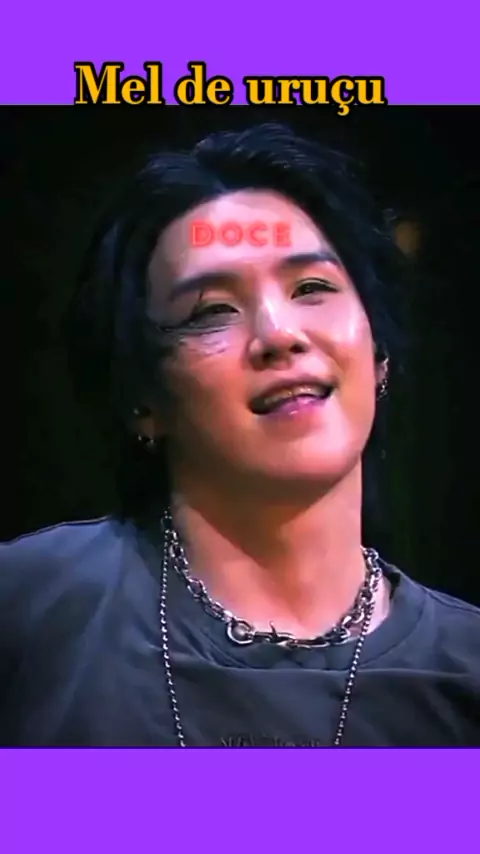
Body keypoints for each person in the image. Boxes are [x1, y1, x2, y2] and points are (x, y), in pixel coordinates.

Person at [1, 123, 479, 747]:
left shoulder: (465, 667)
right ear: (143, 398)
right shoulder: (32, 608)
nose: (279, 334)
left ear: (378, 351)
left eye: (312, 288)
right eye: (211, 311)